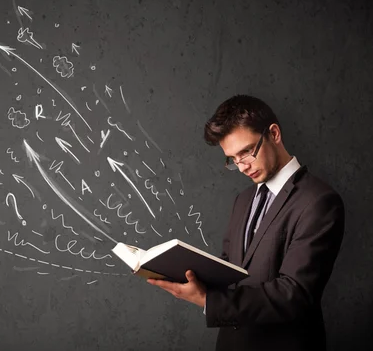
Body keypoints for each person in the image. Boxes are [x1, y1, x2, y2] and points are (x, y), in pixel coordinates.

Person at [147, 94, 345, 351]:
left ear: (274, 134)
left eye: (247, 152)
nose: (242, 167)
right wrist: (187, 274)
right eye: (232, 159)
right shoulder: (243, 200)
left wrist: (209, 300)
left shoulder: (319, 201)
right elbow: (230, 268)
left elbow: (294, 293)